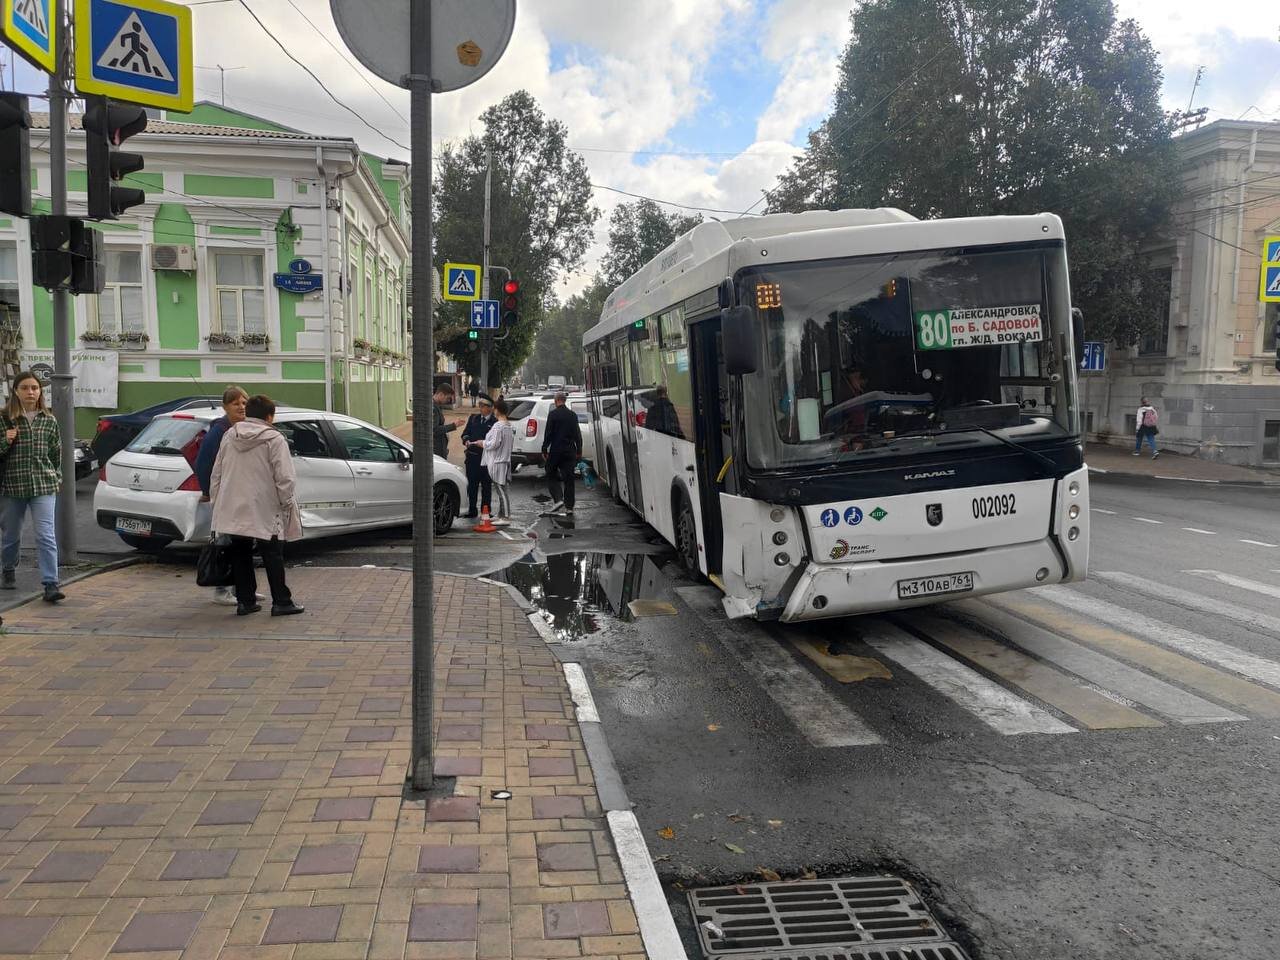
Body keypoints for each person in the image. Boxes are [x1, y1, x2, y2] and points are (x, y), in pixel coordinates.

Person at [210, 394, 305, 617]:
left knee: (240, 553)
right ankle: (282, 601)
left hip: (232, 504)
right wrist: (285, 502)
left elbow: (217, 472)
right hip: (265, 505)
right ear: (270, 416)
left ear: (248, 413)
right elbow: (285, 478)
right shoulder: (274, 439)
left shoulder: (230, 434)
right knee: (272, 554)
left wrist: (218, 501)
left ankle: (245, 601)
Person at [194, 385, 262, 607]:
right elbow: (204, 464)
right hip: (224, 497)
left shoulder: (244, 427)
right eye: (236, 404)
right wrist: (208, 492)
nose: (241, 407)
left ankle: (243, 589)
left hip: (242, 496)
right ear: (225, 407)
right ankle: (221, 589)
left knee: (243, 543)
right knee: (224, 544)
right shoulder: (219, 431)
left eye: (244, 403)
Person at [0, 372, 64, 602]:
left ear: (40, 392)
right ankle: (8, 569)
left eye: (35, 388)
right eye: (25, 388)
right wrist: (4, 440)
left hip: (43, 485)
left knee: (46, 535)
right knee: (11, 536)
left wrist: (56, 477)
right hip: (13, 485)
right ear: (16, 391)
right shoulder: (5, 418)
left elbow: (56, 452)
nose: (31, 392)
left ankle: (51, 584)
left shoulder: (49, 419)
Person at [541, 392, 582, 515]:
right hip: (569, 451)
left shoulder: (553, 415)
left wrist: (544, 448)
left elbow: (548, 433)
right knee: (569, 479)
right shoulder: (572, 415)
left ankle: (558, 499)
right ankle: (569, 506)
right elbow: (577, 434)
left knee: (550, 473)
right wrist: (579, 450)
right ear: (564, 400)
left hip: (556, 451)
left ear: (556, 401)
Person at [476, 398, 514, 525]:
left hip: (498, 462)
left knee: (500, 489)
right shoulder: (508, 425)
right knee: (501, 488)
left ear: (497, 410)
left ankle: (506, 516)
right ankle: (501, 514)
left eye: (494, 408)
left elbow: (494, 444)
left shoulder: (499, 426)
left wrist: (483, 443)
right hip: (505, 460)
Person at [458, 395, 495, 518]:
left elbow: (495, 442)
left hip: (486, 459)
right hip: (472, 458)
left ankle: (486, 511)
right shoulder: (473, 418)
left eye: (483, 406)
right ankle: (472, 509)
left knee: (486, 486)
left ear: (490, 408)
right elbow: (465, 434)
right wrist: (466, 440)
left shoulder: (495, 423)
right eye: (480, 406)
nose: (480, 408)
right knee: (472, 485)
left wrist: (484, 444)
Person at [432, 383, 457, 459]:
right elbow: (434, 430)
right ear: (441, 394)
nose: (448, 401)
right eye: (448, 398)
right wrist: (453, 425)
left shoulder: (436, 406)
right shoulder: (433, 408)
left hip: (439, 449)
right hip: (436, 450)